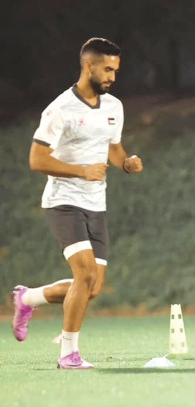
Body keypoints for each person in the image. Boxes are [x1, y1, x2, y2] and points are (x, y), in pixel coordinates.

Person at [10, 37, 144, 369]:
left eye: (116, 70)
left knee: (92, 287)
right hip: (63, 201)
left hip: (96, 204)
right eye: (107, 69)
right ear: (88, 65)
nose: (113, 76)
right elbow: (37, 159)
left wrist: (126, 163)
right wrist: (81, 171)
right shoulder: (60, 109)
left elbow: (113, 147)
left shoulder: (114, 107)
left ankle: (27, 298)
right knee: (84, 274)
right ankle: (69, 354)